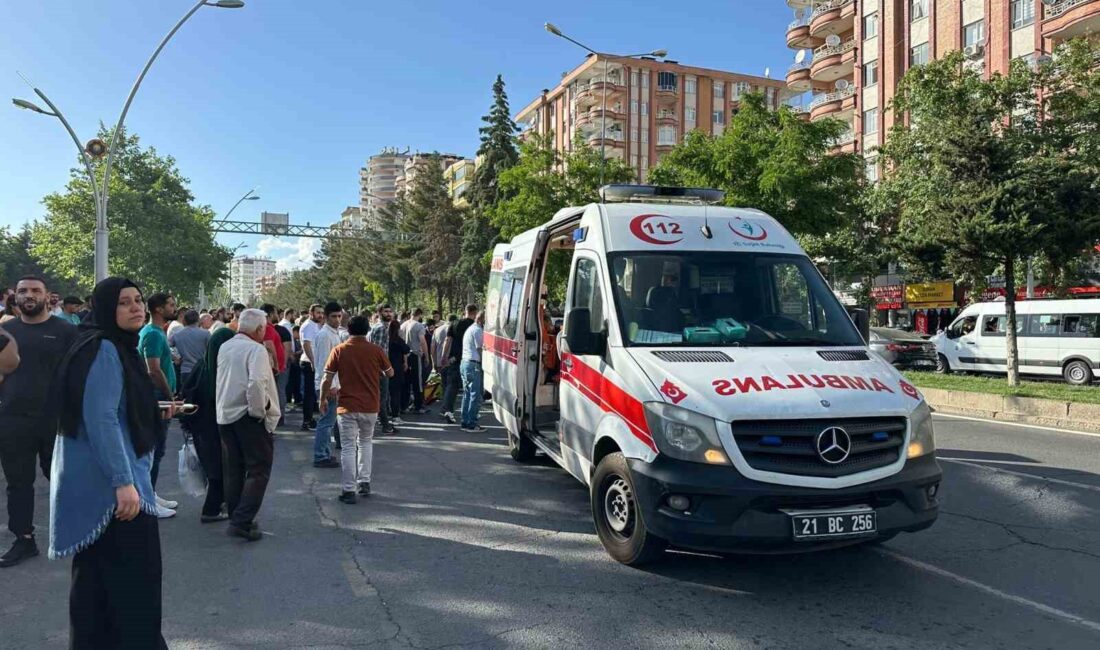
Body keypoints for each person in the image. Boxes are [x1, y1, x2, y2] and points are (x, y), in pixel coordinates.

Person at [50, 277, 168, 648]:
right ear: (105, 308)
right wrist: (122, 481)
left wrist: (156, 410)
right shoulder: (104, 348)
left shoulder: (112, 345)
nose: (136, 307)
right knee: (134, 587)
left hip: (107, 483)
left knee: (98, 588)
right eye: (124, 302)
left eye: (138, 300)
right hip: (112, 490)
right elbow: (99, 419)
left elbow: (117, 410)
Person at [0, 276, 77, 567]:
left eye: (35, 290)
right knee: (18, 483)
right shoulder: (5, 332)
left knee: (62, 479)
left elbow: (78, 376)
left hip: (54, 420)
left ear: (48, 297)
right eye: (22, 291)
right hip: (12, 420)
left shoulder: (67, 331)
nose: (28, 295)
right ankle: (24, 539)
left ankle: (77, 532)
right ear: (15, 297)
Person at [214, 309, 280, 541]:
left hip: (225, 414)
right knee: (259, 468)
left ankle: (237, 516)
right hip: (247, 415)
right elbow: (256, 385)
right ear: (260, 329)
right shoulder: (256, 350)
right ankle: (242, 520)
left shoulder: (226, 346)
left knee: (234, 470)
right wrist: (259, 412)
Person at [320, 315, 393, 504]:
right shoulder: (375, 350)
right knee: (366, 442)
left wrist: (322, 400)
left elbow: (326, 378)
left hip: (347, 406)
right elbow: (390, 372)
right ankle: (364, 481)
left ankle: (348, 490)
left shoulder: (339, 350)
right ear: (368, 329)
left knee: (348, 447)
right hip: (370, 405)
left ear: (349, 330)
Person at [137, 293, 178, 518]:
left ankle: (150, 492)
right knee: (154, 450)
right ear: (159, 309)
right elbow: (153, 369)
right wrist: (169, 395)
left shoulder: (156, 332)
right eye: (171, 305)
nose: (175, 308)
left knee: (158, 450)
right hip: (156, 398)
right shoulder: (152, 334)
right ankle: (147, 499)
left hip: (160, 397)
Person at [311, 303, 345, 468]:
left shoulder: (333, 334)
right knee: (326, 423)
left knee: (328, 422)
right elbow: (326, 364)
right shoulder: (325, 335)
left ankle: (324, 453)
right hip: (327, 385)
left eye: (339, 316)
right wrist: (329, 387)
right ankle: (320, 456)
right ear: (325, 317)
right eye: (334, 316)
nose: (337, 319)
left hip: (332, 384)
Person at [440, 304, 477, 425]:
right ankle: (468, 414)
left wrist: (444, 356)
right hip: (468, 357)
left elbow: (447, 340)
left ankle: (447, 409)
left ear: (465, 311)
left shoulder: (454, 323)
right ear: (474, 312)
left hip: (454, 357)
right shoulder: (474, 325)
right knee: (470, 387)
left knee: (452, 384)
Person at [368, 304, 398, 435]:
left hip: (378, 367)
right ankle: (385, 425)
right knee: (382, 397)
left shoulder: (382, 327)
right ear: (379, 313)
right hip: (379, 369)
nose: (389, 314)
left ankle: (383, 422)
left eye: (390, 311)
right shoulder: (381, 328)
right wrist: (382, 368)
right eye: (386, 311)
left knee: (381, 397)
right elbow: (378, 351)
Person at [170, 309, 210, 390]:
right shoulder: (206, 334)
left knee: (186, 398)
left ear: (185, 320)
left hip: (185, 370)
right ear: (198, 320)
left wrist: (174, 358)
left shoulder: (177, 335)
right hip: (201, 372)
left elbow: (166, 346)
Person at [459, 311, 486, 432]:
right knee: (475, 394)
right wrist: (485, 363)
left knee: (467, 394)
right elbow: (480, 349)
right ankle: (472, 423)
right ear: (481, 320)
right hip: (474, 364)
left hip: (465, 362)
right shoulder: (478, 331)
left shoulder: (470, 329)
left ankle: (465, 421)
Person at [299, 304, 324, 431]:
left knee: (313, 393)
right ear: (311, 313)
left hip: (315, 363)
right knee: (309, 393)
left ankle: (310, 419)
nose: (320, 315)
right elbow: (306, 344)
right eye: (318, 313)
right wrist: (313, 362)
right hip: (309, 363)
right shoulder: (308, 325)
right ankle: (307, 421)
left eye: (321, 313)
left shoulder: (316, 325)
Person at [402, 308, 430, 415]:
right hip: (415, 355)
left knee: (406, 381)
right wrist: (427, 356)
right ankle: (418, 406)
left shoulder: (403, 325)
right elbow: (422, 342)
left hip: (404, 355)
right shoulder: (419, 326)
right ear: (420, 314)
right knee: (417, 381)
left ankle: (404, 405)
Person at [387, 319, 410, 422]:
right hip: (397, 368)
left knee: (385, 393)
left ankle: (385, 413)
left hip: (386, 367)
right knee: (395, 393)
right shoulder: (398, 340)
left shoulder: (387, 339)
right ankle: (395, 415)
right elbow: (406, 349)